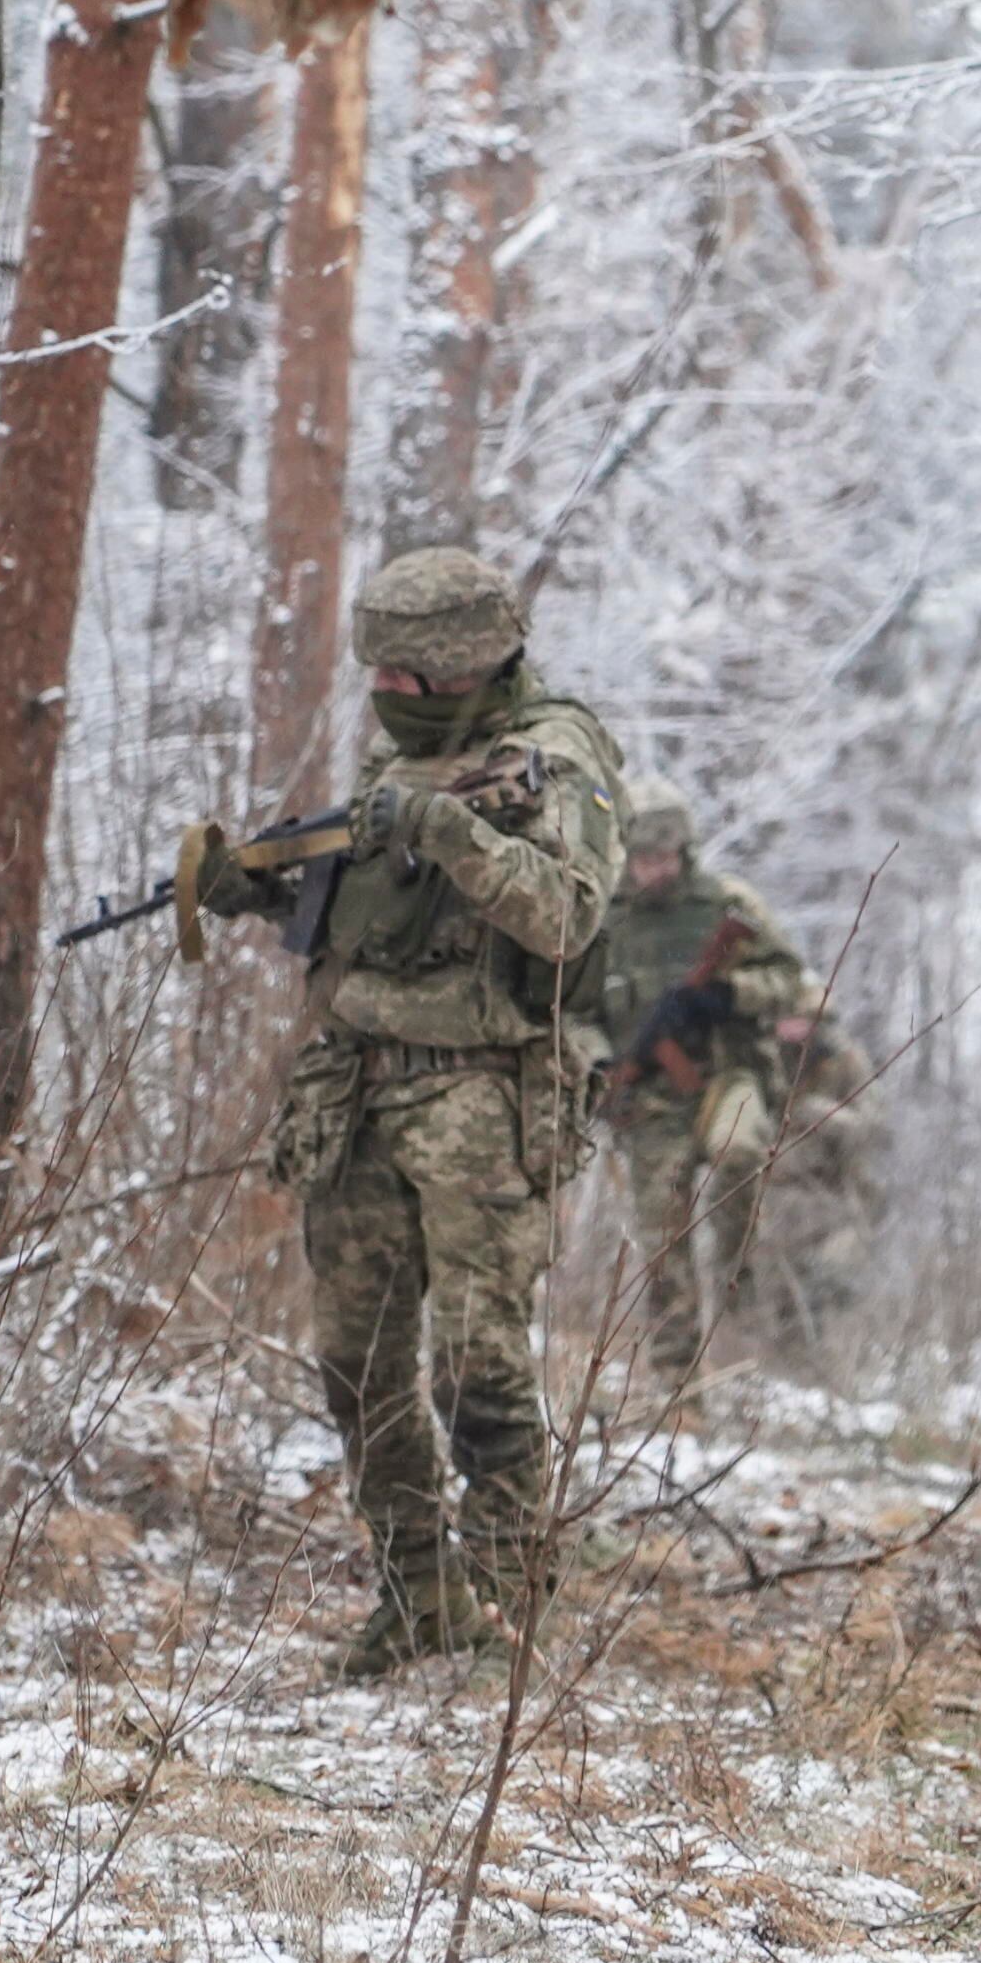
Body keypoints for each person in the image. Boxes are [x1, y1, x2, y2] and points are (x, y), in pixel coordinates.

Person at [202, 547, 626, 1676]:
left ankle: (499, 1611)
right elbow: (379, 915)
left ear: (467, 669)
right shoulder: (410, 753)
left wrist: (449, 834)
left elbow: (562, 915)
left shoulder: (559, 754)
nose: (386, 696)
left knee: (478, 1366)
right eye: (378, 676)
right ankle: (419, 1599)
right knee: (355, 1361)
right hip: (357, 1089)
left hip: (481, 1096)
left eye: (408, 678)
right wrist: (268, 892)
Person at [591, 770, 810, 1404]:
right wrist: (600, 1062)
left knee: (741, 1156)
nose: (650, 871)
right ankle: (675, 1382)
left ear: (683, 851)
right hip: (649, 1101)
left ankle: (738, 1284)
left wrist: (728, 994)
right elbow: (571, 1009)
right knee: (661, 1242)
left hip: (726, 1075)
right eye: (639, 859)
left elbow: (789, 980)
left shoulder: (725, 904)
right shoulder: (604, 920)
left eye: (661, 858)